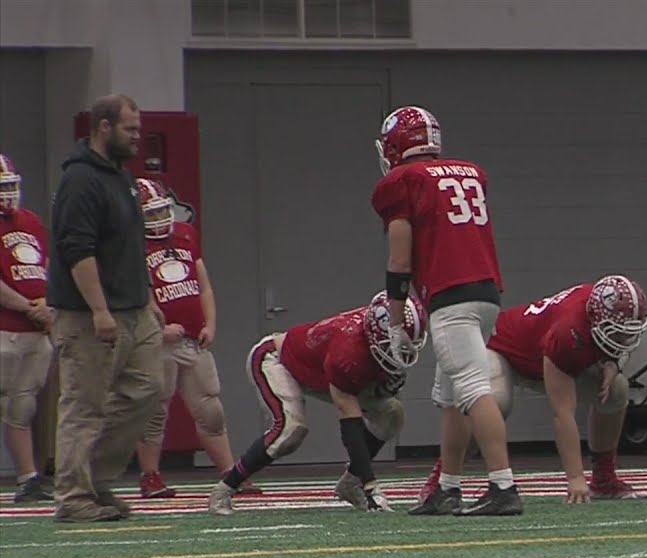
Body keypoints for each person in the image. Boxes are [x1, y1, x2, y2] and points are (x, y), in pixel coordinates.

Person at [371, 106, 517, 515]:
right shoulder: (471, 172)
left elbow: (400, 260)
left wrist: (397, 320)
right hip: (486, 291)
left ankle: (503, 485)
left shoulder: (402, 180)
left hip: (451, 296)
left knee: (471, 389)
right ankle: (447, 487)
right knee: (451, 394)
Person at [411, 276, 647, 516]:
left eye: (626, 334)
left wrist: (612, 363)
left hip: (544, 355)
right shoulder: (569, 331)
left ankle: (604, 478)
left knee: (617, 391)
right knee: (496, 403)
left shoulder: (603, 312)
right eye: (616, 334)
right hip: (503, 350)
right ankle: (443, 479)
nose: (622, 340)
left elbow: (619, 343)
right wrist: (575, 478)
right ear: (596, 320)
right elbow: (562, 414)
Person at [46, 94, 165, 523]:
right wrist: (99, 310)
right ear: (103, 127)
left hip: (135, 308)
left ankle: (95, 479)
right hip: (88, 315)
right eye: (130, 129)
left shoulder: (121, 176)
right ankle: (74, 497)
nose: (137, 137)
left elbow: (130, 246)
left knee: (148, 390)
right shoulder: (81, 180)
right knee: (84, 404)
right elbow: (77, 249)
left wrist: (149, 298)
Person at [207, 291, 427, 516]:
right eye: (395, 344)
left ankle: (350, 484)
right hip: (277, 360)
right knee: (291, 431)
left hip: (320, 372)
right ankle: (225, 489)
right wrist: (371, 486)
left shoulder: (373, 339)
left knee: (392, 413)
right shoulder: (349, 351)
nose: (402, 352)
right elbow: (350, 424)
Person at [130, 178, 242, 499]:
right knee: (155, 410)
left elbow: (203, 284)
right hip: (158, 343)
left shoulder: (186, 235)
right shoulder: (132, 246)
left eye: (162, 211)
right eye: (149, 214)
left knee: (210, 408)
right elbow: (138, 296)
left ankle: (230, 474)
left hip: (193, 338)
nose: (159, 220)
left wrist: (211, 323)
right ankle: (150, 476)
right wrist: (158, 329)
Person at [0, 153, 55, 503]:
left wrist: (47, 304)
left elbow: (47, 267)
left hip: (36, 330)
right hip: (6, 327)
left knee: (23, 406)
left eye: (9, 186)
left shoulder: (32, 221)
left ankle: (28, 477)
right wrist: (26, 306)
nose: (7, 194)